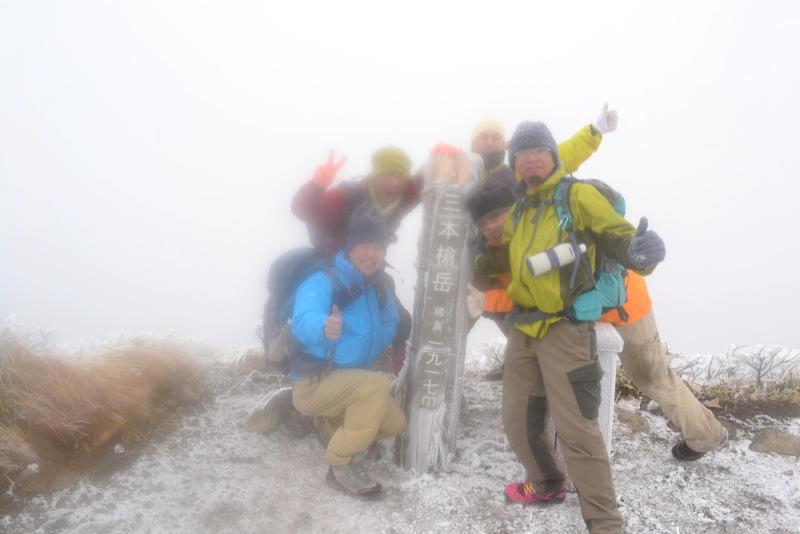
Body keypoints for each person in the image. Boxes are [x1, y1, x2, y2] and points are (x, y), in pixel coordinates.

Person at [477, 120, 666, 534]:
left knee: (578, 431)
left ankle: (605, 523)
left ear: (553, 156)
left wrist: (640, 253)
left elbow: (618, 238)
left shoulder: (576, 196)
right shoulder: (522, 208)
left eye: (539, 151)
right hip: (525, 328)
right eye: (522, 154)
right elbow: (498, 247)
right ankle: (546, 484)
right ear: (515, 163)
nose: (531, 159)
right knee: (517, 419)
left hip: (565, 330)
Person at [466, 188, 727, 464]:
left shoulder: (539, 233)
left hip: (624, 306)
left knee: (653, 377)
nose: (490, 227)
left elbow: (542, 293)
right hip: (609, 306)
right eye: (482, 224)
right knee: (645, 377)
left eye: (496, 217)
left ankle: (706, 435)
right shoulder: (511, 245)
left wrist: (490, 300)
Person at [289, 207, 406, 500]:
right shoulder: (323, 281)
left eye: (378, 246)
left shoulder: (378, 288)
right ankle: (338, 466)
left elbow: (391, 321)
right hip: (315, 380)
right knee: (375, 386)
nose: (371, 253)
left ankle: (329, 422)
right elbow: (303, 319)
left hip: (348, 384)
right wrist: (324, 327)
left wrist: (381, 337)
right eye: (364, 245)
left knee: (394, 423)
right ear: (350, 248)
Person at [469, 103, 619, 192]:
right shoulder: (457, 170)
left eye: (496, 137)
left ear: (504, 144)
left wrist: (594, 131)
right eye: (483, 137)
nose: (489, 142)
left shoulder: (516, 174)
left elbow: (562, 156)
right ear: (473, 143)